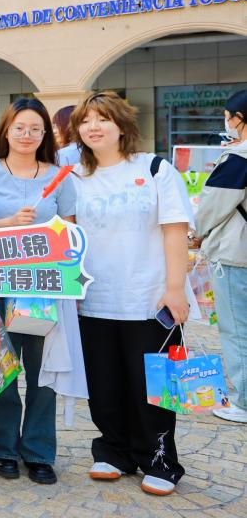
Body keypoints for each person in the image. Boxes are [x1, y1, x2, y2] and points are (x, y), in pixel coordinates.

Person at [72, 91, 191, 496]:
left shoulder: (155, 168)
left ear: (122, 124)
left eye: (102, 118)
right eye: (85, 120)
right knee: (104, 383)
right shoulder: (75, 178)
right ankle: (114, 451)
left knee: (154, 385)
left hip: (149, 298)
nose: (93, 127)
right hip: (94, 300)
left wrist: (175, 289)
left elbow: (175, 228)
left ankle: (159, 459)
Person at [0, 99, 81, 485]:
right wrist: (6, 223)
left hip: (43, 289)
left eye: (35, 128)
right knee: (0, 367)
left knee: (43, 372)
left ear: (45, 134)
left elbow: (71, 231)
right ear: (6, 130)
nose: (27, 135)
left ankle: (38, 451)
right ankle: (2, 447)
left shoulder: (58, 175)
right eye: (19, 127)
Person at [193, 88, 247, 423]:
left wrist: (195, 233)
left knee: (238, 329)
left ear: (239, 119)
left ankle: (243, 401)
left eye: (228, 116)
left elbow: (212, 207)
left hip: (236, 254)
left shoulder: (238, 158)